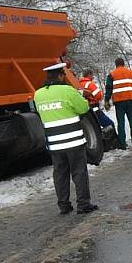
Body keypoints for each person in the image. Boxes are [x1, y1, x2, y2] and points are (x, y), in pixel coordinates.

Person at [34, 62, 99, 215]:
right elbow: (83, 108)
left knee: (60, 173)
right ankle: (83, 204)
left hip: (55, 144)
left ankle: (64, 205)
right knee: (79, 172)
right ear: (61, 75)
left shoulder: (38, 94)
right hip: (74, 141)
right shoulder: (67, 90)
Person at [104, 57, 132, 149]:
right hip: (130, 100)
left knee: (121, 123)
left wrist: (106, 100)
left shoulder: (112, 75)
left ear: (116, 64)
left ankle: (122, 144)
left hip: (119, 102)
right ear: (123, 64)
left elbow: (108, 88)